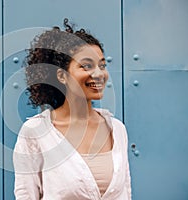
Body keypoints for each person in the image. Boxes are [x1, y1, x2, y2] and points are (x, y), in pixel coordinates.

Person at [13, 18, 131, 200]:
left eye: (102, 65)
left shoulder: (117, 129)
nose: (99, 74)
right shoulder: (36, 133)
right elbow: (26, 195)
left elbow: (125, 192)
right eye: (87, 66)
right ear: (62, 75)